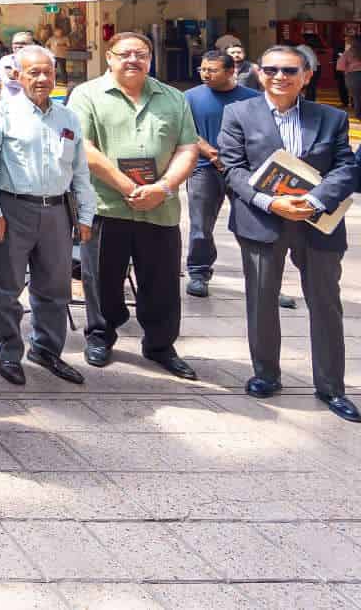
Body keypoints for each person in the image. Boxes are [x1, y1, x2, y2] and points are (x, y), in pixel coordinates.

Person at [219, 46, 359, 422]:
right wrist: (269, 202)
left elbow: (347, 168)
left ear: (307, 75)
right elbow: (232, 168)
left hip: (318, 225)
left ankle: (332, 387)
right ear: (260, 74)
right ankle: (266, 374)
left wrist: (315, 200)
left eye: (289, 70)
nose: (280, 76)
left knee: (326, 305)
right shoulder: (238, 114)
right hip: (262, 222)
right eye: (271, 69)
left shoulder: (330, 117)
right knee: (261, 301)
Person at [67, 31, 199, 379]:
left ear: (150, 59)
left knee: (162, 281)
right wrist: (128, 186)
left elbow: (187, 149)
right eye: (124, 54)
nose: (132, 60)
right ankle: (100, 335)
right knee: (101, 279)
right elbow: (84, 146)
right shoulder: (87, 95)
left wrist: (164, 187)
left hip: (160, 207)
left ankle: (160, 345)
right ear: (109, 57)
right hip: (105, 206)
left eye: (140, 54)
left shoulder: (173, 98)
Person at [0, 46, 96, 386]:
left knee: (55, 288)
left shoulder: (67, 117)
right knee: (5, 287)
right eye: (34, 72)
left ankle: (46, 349)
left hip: (57, 212)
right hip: (12, 209)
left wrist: (85, 215)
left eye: (48, 72)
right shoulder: (0, 113)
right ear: (19, 75)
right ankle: (9, 352)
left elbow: (80, 172)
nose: (42, 79)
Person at [182, 50, 261, 298]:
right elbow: (184, 130)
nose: (206, 74)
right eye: (202, 69)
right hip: (203, 169)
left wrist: (232, 159)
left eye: (212, 70)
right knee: (200, 225)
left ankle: (263, 280)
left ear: (230, 71)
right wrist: (211, 153)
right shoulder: (190, 98)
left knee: (253, 225)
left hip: (242, 171)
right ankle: (198, 273)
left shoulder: (253, 99)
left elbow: (261, 133)